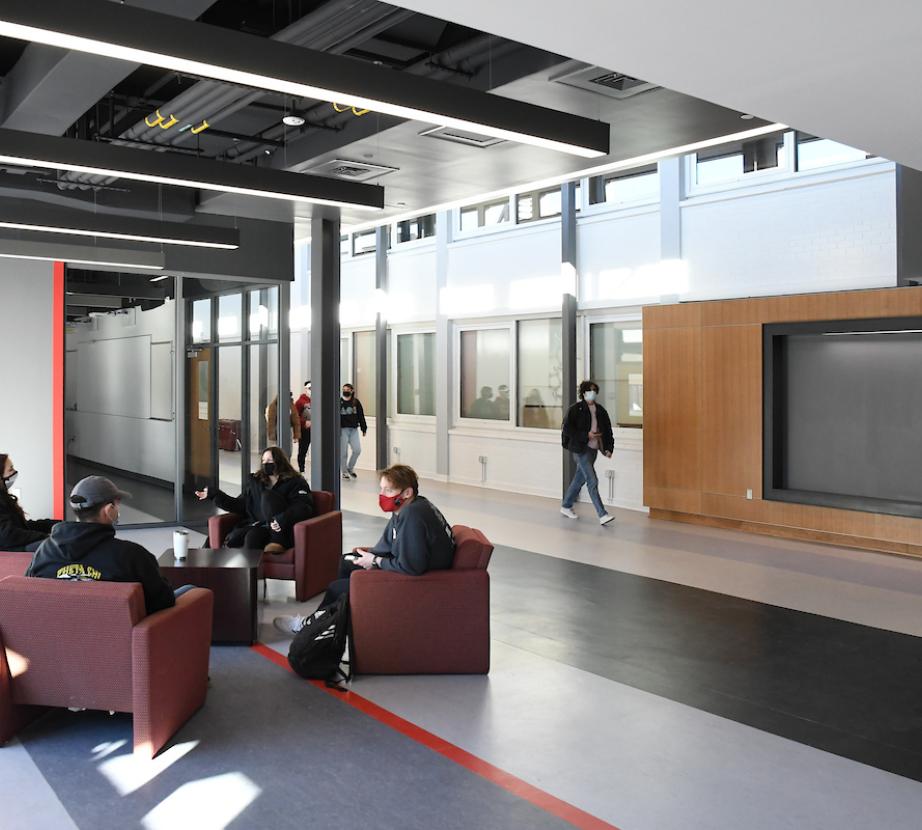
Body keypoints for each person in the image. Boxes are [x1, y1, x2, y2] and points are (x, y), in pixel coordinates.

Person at [273, 464, 454, 634]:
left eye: (389, 491)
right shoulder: (409, 507)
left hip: (417, 581)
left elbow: (412, 567)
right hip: (408, 569)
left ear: (407, 492)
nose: (383, 495)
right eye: (381, 489)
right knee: (347, 560)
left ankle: (312, 627)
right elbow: (389, 544)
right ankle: (340, 621)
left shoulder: (412, 515)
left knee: (337, 588)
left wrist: (375, 561)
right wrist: (369, 556)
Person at [26, 476, 176, 615]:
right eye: (117, 505)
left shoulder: (44, 551)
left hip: (58, 636)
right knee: (189, 590)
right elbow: (163, 601)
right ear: (109, 510)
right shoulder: (132, 555)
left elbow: (28, 591)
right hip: (119, 640)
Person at [196, 446, 314, 553]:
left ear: (280, 462)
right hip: (258, 525)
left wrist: (281, 519)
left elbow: (303, 507)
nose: (265, 464)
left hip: (281, 528)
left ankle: (275, 545)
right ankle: (242, 574)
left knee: (267, 500)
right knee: (242, 537)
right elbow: (240, 505)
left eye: (269, 461)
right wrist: (215, 495)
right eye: (263, 461)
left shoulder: (295, 482)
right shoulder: (256, 482)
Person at [560, 380, 615, 526]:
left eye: (594, 390)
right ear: (583, 393)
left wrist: (609, 448)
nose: (593, 393)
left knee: (580, 479)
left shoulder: (601, 410)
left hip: (593, 450)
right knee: (592, 480)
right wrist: (586, 435)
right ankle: (602, 514)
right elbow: (566, 429)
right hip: (580, 450)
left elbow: (608, 431)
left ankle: (566, 505)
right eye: (590, 390)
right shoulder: (576, 409)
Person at [0, 453, 57, 552]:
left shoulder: (4, 498)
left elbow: (23, 526)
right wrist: (46, 536)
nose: (14, 472)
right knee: (56, 545)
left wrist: (58, 525)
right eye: (10, 470)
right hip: (12, 551)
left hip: (16, 546)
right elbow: (8, 535)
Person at [340, 383, 367, 480]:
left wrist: (364, 428)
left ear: (352, 391)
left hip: (354, 429)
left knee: (357, 450)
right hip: (342, 429)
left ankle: (350, 468)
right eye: (344, 389)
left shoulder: (356, 402)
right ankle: (344, 471)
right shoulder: (339, 402)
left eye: (347, 389)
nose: (345, 391)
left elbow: (361, 415)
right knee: (343, 452)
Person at [295, 380, 312, 474]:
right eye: (309, 388)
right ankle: (302, 470)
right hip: (305, 430)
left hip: (316, 430)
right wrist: (304, 422)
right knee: (303, 450)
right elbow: (295, 416)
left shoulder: (318, 400)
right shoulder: (300, 402)